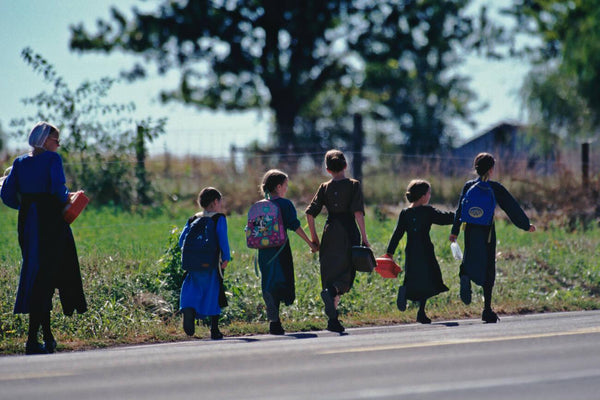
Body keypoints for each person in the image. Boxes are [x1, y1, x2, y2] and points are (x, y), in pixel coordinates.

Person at [1, 121, 87, 355]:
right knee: (49, 277)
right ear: (44, 140)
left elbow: (7, 194)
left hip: (28, 221)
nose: (58, 144)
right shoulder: (52, 160)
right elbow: (58, 190)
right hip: (50, 221)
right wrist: (70, 198)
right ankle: (36, 339)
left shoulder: (19, 162)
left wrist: (27, 205)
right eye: (55, 139)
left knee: (36, 274)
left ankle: (44, 337)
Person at [449, 152, 536, 323]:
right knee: (488, 267)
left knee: (470, 257)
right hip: (487, 231)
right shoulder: (495, 188)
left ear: (475, 167)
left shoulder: (468, 186)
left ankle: (465, 274)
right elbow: (512, 207)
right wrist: (526, 225)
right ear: (491, 169)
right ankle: (487, 310)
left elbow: (460, 209)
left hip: (470, 230)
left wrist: (454, 231)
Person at [306, 150, 369, 333]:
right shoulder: (353, 185)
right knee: (346, 274)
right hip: (348, 232)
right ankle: (333, 294)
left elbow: (310, 213)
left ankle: (333, 320)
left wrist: (315, 238)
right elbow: (358, 212)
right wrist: (364, 238)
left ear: (327, 169)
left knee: (330, 274)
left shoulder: (324, 187)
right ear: (346, 165)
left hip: (329, 231)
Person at [385, 180, 454, 324]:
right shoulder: (427, 211)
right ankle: (420, 311)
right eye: (429, 193)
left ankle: (406, 291)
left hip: (411, 251)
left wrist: (389, 252)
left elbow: (397, 234)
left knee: (413, 276)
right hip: (425, 249)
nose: (430, 195)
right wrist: (460, 216)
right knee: (429, 278)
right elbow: (444, 218)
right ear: (423, 196)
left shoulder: (405, 213)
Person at [257, 169, 317, 335]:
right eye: (285, 185)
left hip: (264, 252)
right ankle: (276, 316)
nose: (286, 188)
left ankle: (274, 321)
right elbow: (295, 225)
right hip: (281, 250)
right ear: (278, 186)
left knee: (269, 281)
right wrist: (310, 243)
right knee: (283, 280)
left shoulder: (261, 205)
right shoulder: (285, 204)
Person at [179, 187, 231, 340]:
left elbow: (182, 240)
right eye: (220, 201)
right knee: (213, 292)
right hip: (211, 264)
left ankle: (188, 309)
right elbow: (223, 239)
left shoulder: (193, 219)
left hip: (192, 264)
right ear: (215, 202)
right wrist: (226, 257)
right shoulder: (218, 218)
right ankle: (214, 329)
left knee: (192, 288)